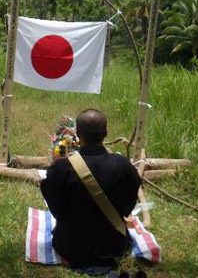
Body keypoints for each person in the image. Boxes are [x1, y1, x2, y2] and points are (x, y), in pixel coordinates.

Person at [40, 109, 141, 274]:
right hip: (114, 245)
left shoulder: (62, 168)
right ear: (106, 132)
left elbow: (54, 204)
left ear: (78, 134)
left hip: (71, 246)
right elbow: (129, 204)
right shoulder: (123, 166)